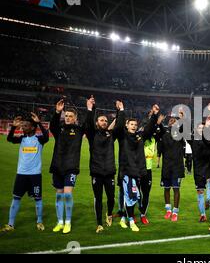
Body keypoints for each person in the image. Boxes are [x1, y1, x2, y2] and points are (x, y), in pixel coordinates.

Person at [115, 101, 159, 232]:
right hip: (127, 172)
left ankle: (126, 218)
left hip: (139, 171)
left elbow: (149, 129)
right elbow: (117, 127)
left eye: (135, 124)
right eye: (131, 124)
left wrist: (155, 115)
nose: (134, 126)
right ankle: (130, 220)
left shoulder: (140, 137)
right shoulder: (122, 136)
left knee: (133, 197)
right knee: (129, 197)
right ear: (127, 125)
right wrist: (121, 110)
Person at [1, 113, 49, 232]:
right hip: (21, 174)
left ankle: (39, 222)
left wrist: (38, 123)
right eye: (23, 125)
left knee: (38, 199)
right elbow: (10, 139)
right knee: (16, 198)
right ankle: (10, 224)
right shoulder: (22, 139)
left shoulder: (39, 139)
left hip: (35, 175)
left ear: (32, 127)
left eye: (26, 125)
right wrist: (13, 127)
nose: (23, 127)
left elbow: (47, 137)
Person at [85, 96, 123, 233]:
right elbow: (88, 123)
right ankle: (99, 223)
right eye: (101, 120)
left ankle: (109, 214)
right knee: (99, 198)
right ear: (97, 123)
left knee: (111, 197)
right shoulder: (92, 134)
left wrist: (120, 111)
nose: (104, 122)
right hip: (96, 172)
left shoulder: (111, 135)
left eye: (106, 120)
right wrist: (91, 109)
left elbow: (119, 124)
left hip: (109, 172)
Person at [50, 99, 87, 234]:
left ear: (75, 118)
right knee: (59, 195)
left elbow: (88, 124)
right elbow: (52, 126)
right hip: (57, 166)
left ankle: (68, 222)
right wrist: (57, 112)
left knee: (67, 194)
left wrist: (90, 109)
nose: (68, 118)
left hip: (71, 166)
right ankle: (60, 222)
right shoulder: (59, 129)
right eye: (66, 116)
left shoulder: (79, 130)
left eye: (70, 116)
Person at [139, 104, 164, 225]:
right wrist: (154, 116)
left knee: (146, 193)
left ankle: (142, 214)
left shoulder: (154, 134)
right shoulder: (142, 134)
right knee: (135, 193)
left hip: (148, 169)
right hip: (137, 169)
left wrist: (159, 123)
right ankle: (130, 213)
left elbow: (162, 133)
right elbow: (149, 129)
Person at [160, 114, 185, 222]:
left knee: (176, 189)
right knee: (166, 189)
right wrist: (159, 122)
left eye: (174, 121)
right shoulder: (164, 134)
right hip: (166, 166)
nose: (172, 122)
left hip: (177, 167)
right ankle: (168, 210)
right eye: (171, 121)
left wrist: (182, 118)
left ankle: (175, 212)